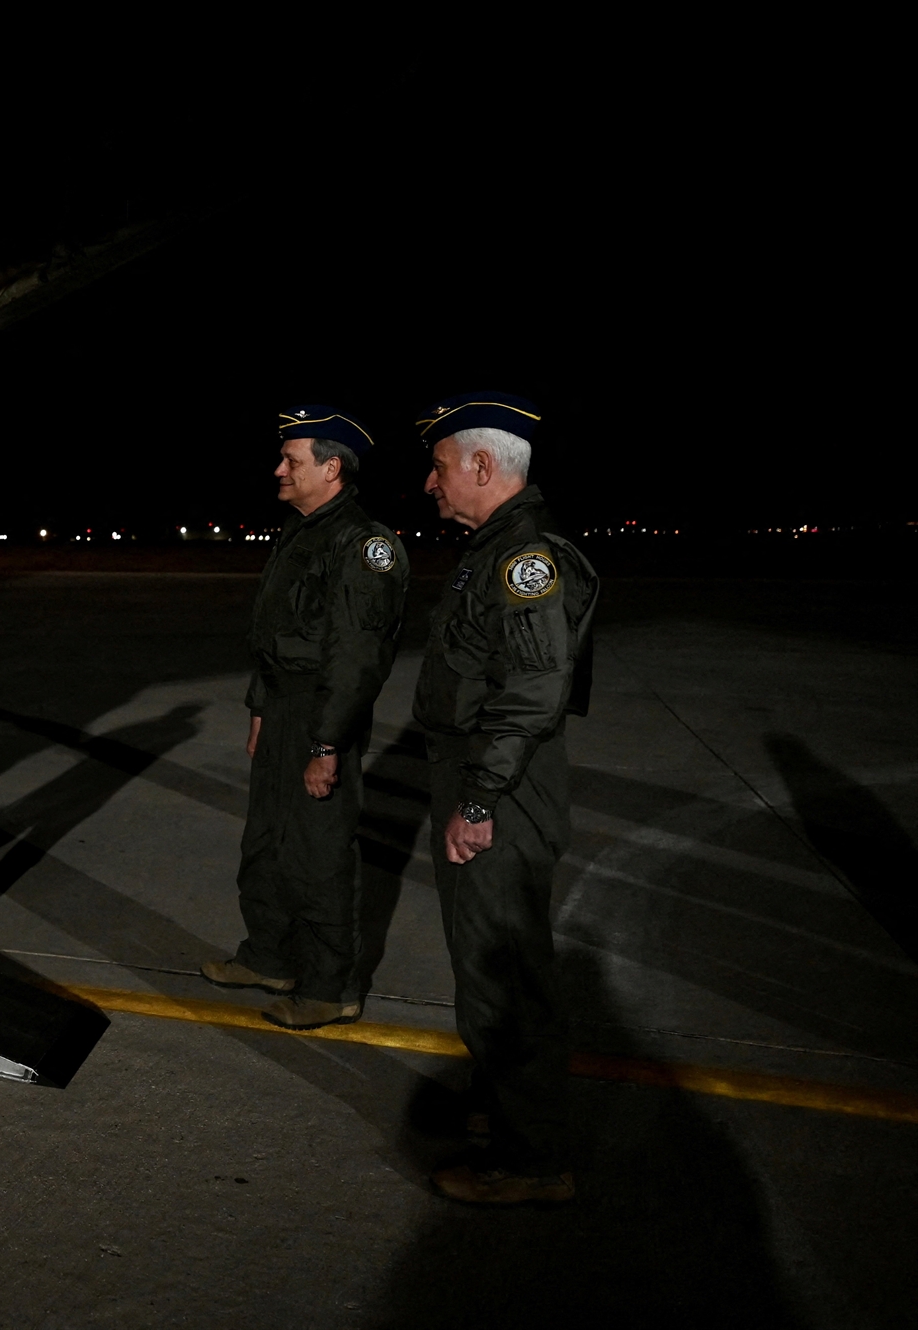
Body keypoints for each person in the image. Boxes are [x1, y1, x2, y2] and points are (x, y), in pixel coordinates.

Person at [412, 392, 599, 1206]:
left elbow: (533, 690)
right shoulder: (493, 548)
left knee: (507, 974)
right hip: (485, 772)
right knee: (487, 963)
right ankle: (501, 1111)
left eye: (440, 466)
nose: (431, 483)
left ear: (483, 465)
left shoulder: (528, 559)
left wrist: (481, 798)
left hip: (503, 784)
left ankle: (532, 1160)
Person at [201, 407, 408, 1029]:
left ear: (331, 467)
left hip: (321, 713)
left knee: (318, 854)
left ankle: (328, 988)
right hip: (283, 706)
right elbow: (272, 632)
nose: (278, 470)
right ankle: (269, 957)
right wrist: (260, 707)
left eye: (291, 460)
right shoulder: (303, 531)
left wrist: (326, 743)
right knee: (266, 841)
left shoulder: (362, 544)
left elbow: (356, 658)